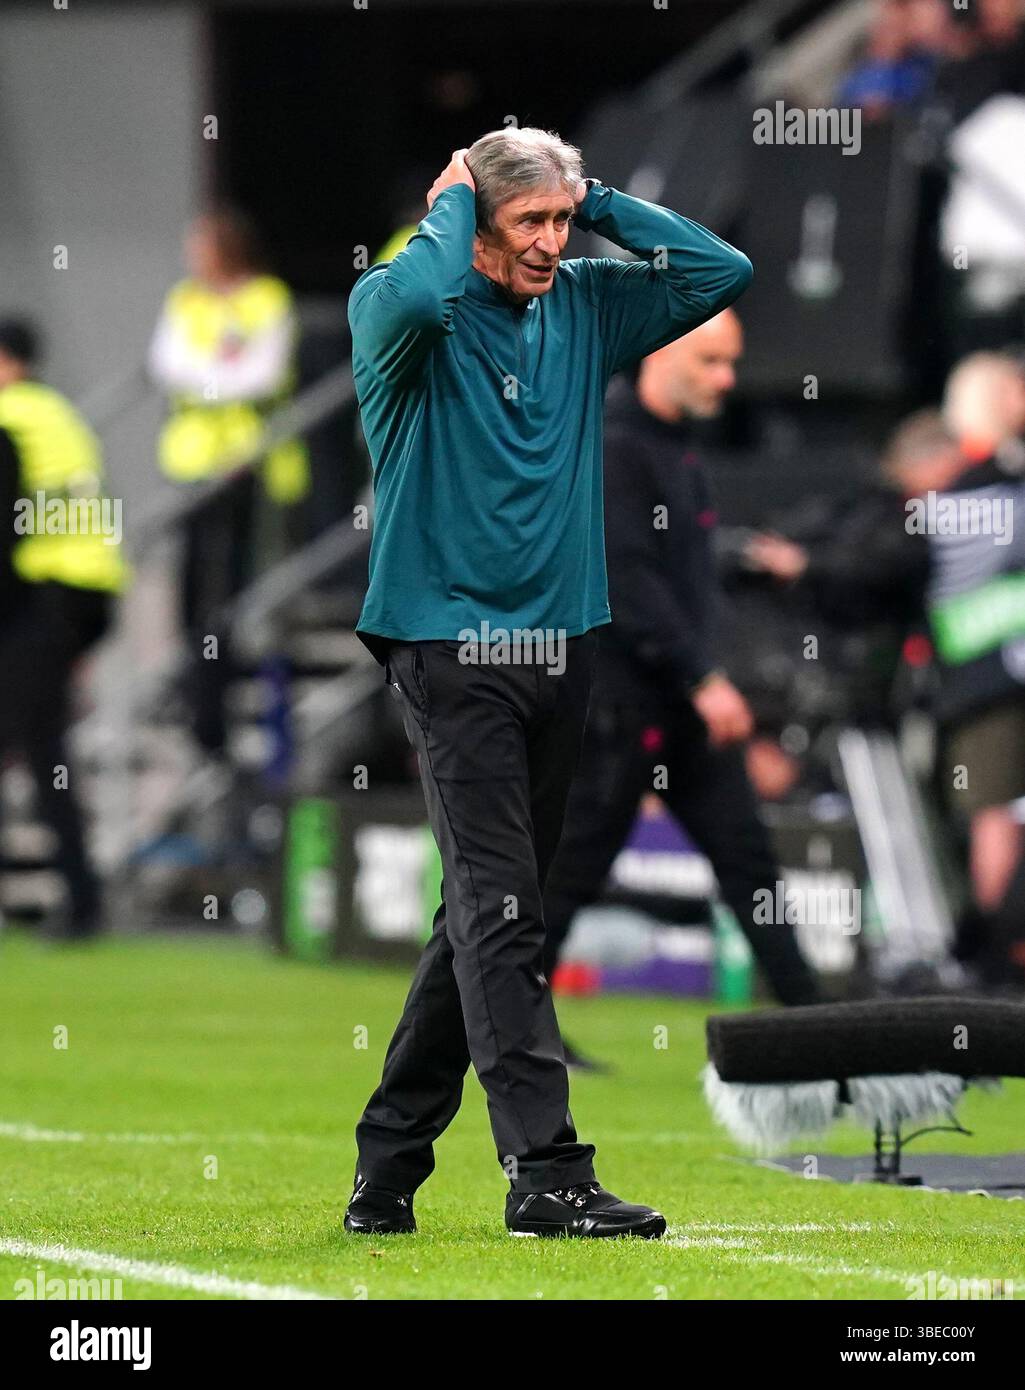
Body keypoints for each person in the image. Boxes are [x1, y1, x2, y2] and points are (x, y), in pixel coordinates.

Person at [344, 128, 752, 1239]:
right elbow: (419, 301)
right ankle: (546, 1170)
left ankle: (386, 1162)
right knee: (502, 907)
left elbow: (719, 274)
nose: (550, 243)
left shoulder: (581, 301)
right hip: (448, 645)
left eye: (558, 222)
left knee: (479, 908)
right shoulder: (397, 304)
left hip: (559, 646)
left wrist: (595, 195)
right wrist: (448, 205)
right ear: (470, 222)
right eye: (527, 223)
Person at [541, 311, 820, 1073]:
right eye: (710, 362)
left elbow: (664, 580)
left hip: (678, 708)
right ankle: (513, 1032)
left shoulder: (669, 449)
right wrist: (700, 676)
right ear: (660, 355)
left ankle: (822, 1031)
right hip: (627, 706)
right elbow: (626, 582)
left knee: (747, 863)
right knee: (570, 870)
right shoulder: (616, 447)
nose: (726, 381)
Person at [148, 208, 309, 761]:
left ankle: (223, 682)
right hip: (193, 466)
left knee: (235, 588)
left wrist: (205, 380)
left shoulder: (266, 298)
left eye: (200, 246)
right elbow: (166, 364)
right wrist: (222, 378)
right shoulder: (186, 300)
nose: (192, 257)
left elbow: (262, 375)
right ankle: (198, 684)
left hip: (246, 464)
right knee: (193, 590)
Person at [0, 318, 125, 939]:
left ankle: (82, 902)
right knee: (29, 740)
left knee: (42, 744)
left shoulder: (11, 417)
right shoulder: (56, 412)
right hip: (90, 592)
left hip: (43, 596)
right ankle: (74, 896)